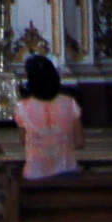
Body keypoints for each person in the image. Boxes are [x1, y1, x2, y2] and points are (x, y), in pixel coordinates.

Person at [13, 53, 81, 181]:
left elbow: (24, 141)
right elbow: (79, 142)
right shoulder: (70, 103)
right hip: (66, 172)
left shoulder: (22, 107)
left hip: (35, 173)